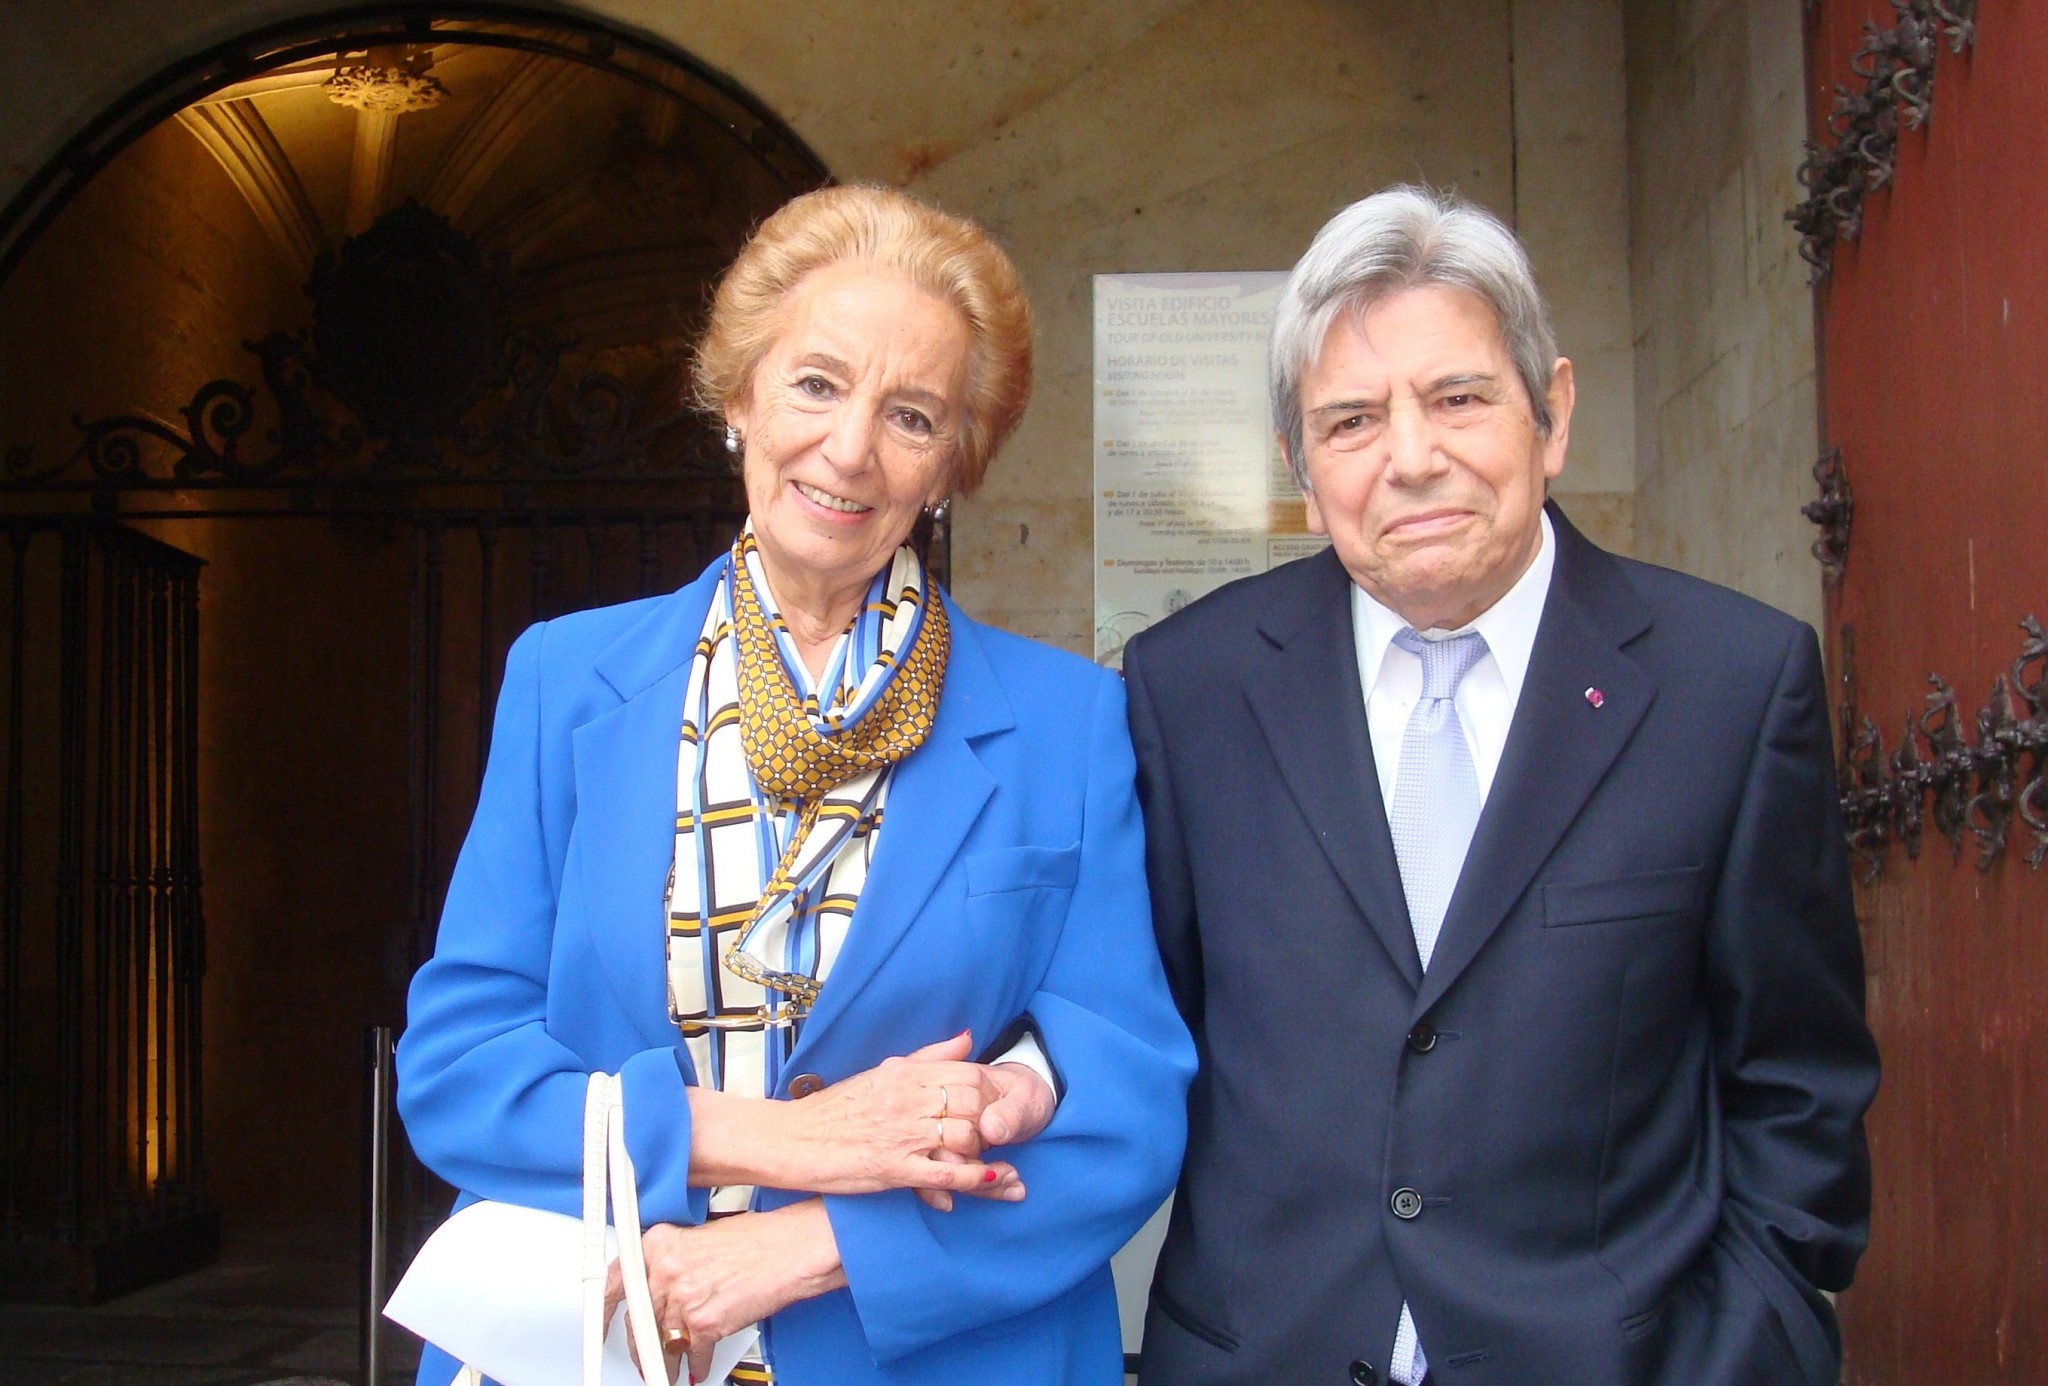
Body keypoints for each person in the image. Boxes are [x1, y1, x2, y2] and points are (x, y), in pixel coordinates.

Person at [398, 184, 1193, 1386]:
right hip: (596, 1346)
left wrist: (819, 1244)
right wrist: (778, 1141)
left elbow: (1123, 1104)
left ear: (951, 466)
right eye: (816, 384)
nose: (850, 449)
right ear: (738, 399)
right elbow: (461, 1072)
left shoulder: (1065, 723)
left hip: (940, 1358)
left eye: (912, 414)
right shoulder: (567, 683)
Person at [1123, 185, 1878, 1385]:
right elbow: (1126, 1034)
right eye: (1351, 421)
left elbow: (1794, 1081)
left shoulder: (1728, 686)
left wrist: (1746, 1344)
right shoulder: (1186, 689)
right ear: (1300, 468)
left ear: (1551, 412)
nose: (1409, 459)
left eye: (1457, 399)